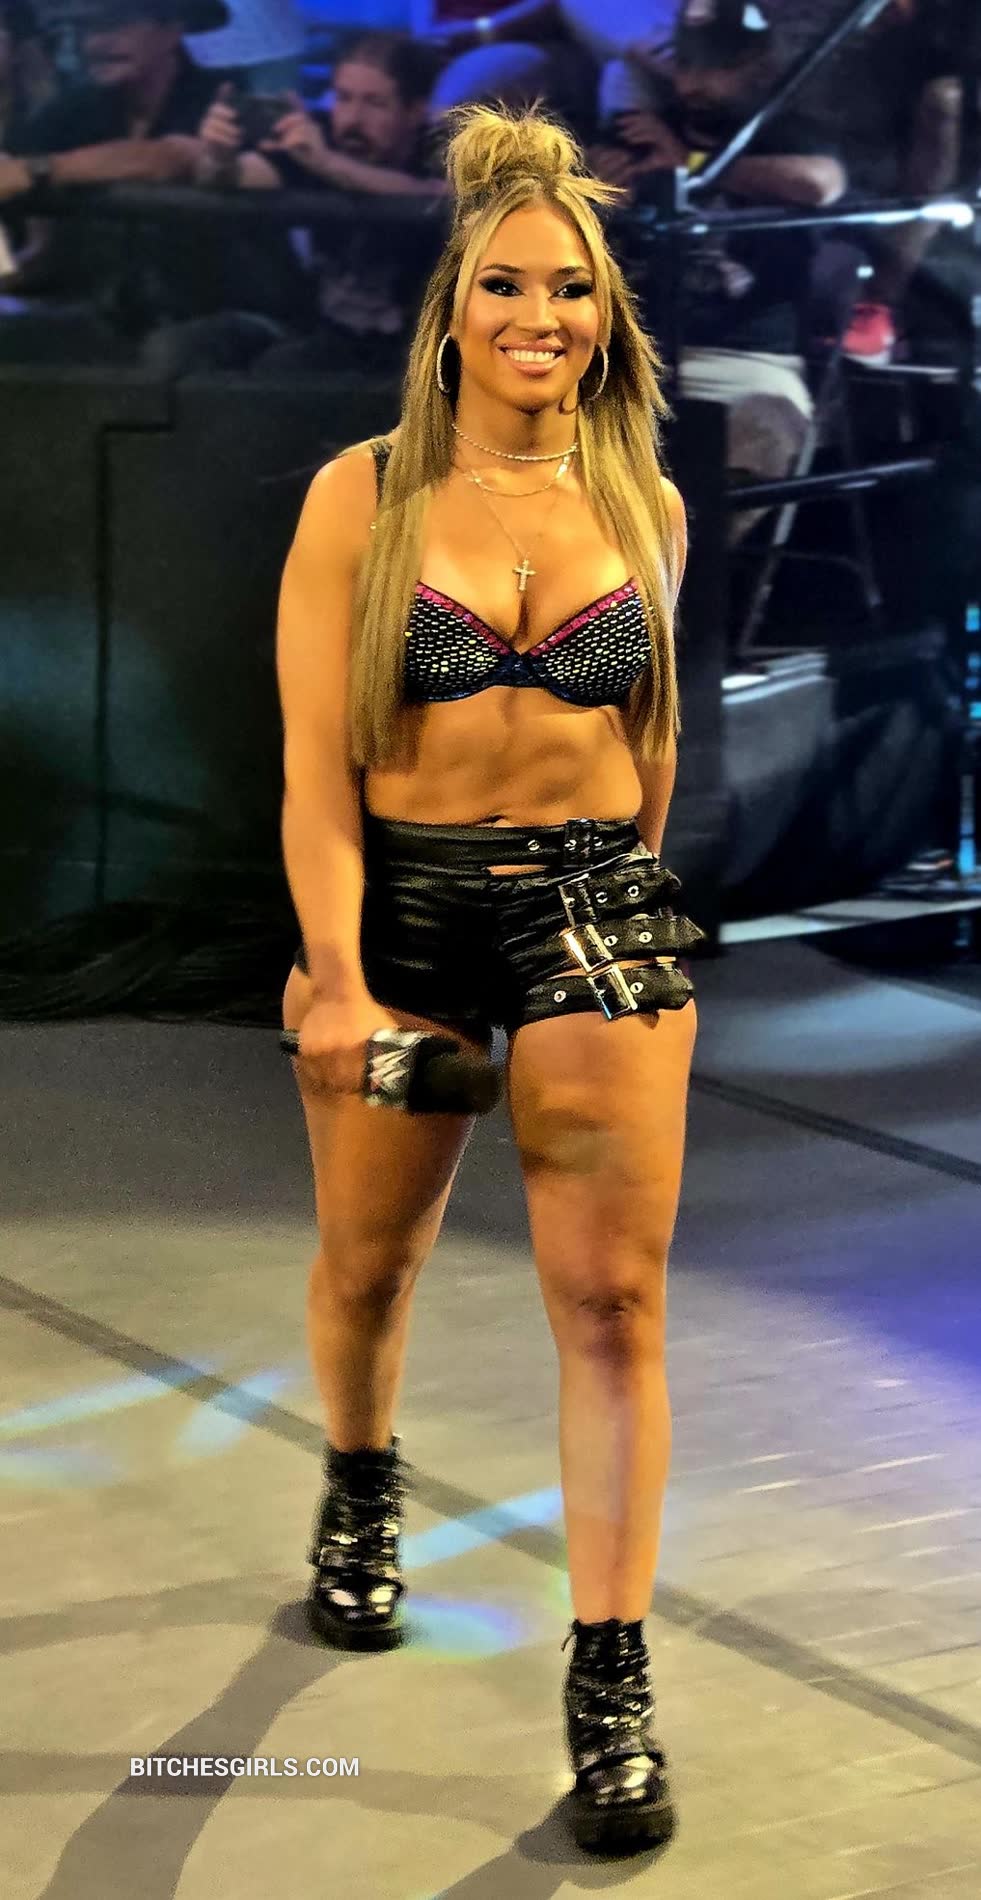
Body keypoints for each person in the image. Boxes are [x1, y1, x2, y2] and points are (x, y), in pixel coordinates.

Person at [276, 97, 705, 1856]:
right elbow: (314, 775)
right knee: (370, 1265)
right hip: (409, 906)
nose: (544, 317)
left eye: (574, 290)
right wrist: (336, 983)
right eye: (511, 286)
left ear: (608, 316)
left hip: (593, 898)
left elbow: (651, 749)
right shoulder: (361, 496)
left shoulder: (643, 500)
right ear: (453, 309)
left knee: (612, 1308)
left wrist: (636, 905)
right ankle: (360, 1485)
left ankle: (611, 1684)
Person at [0, 0, 311, 367]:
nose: (96, 43)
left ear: (172, 29)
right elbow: (11, 163)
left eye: (116, 24)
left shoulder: (222, 100)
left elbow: (171, 158)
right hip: (115, 316)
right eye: (87, 29)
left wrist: (38, 170)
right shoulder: (75, 110)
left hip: (240, 313)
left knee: (167, 352)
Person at [195, 31, 448, 377]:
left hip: (422, 353)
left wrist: (326, 163)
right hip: (325, 334)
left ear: (415, 111)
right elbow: (236, 176)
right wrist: (217, 157)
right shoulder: (320, 137)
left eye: (375, 103)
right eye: (343, 98)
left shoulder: (442, 146)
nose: (353, 118)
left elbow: (439, 194)